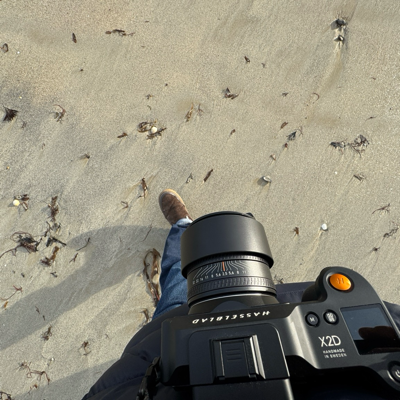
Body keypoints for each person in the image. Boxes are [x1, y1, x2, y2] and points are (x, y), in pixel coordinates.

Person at [82, 190, 400, 400]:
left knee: (180, 291)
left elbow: (110, 389)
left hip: (172, 339)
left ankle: (183, 228)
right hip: (280, 312)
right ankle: (208, 230)